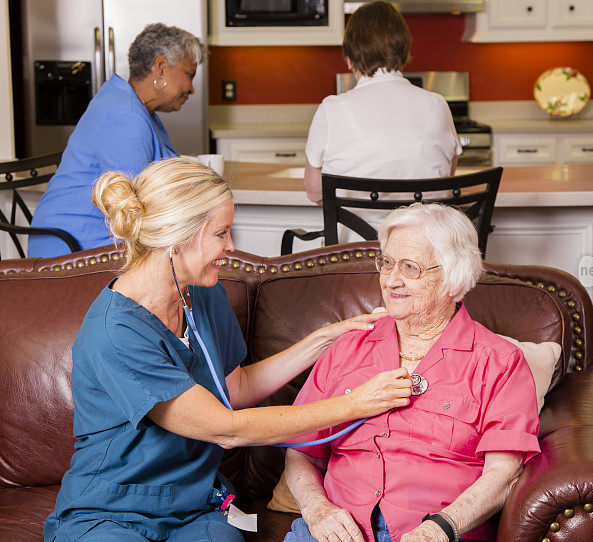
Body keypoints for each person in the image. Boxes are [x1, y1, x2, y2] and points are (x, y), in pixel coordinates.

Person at [43, 157, 413, 542]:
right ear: (176, 237)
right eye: (221, 233)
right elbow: (226, 429)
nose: (231, 247)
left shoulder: (203, 292)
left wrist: (323, 339)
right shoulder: (116, 332)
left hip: (193, 507)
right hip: (112, 511)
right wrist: (356, 403)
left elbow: (234, 391)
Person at [284, 203, 540, 542]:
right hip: (337, 530)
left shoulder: (499, 362)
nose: (391, 280)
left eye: (410, 268)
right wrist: (318, 510)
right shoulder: (348, 347)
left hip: (439, 531)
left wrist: (440, 528)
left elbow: (504, 474)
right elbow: (301, 451)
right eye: (387, 263)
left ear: (453, 278)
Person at [29, 23, 204, 258]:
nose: (191, 89)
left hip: (91, 242)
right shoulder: (125, 117)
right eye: (189, 75)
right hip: (72, 252)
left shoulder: (136, 109)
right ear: (161, 68)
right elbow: (138, 208)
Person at [303, 1, 462, 205]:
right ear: (404, 52)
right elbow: (445, 180)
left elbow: (315, 192)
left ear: (349, 59)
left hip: (358, 238)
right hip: (423, 236)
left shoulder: (331, 109)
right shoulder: (437, 104)